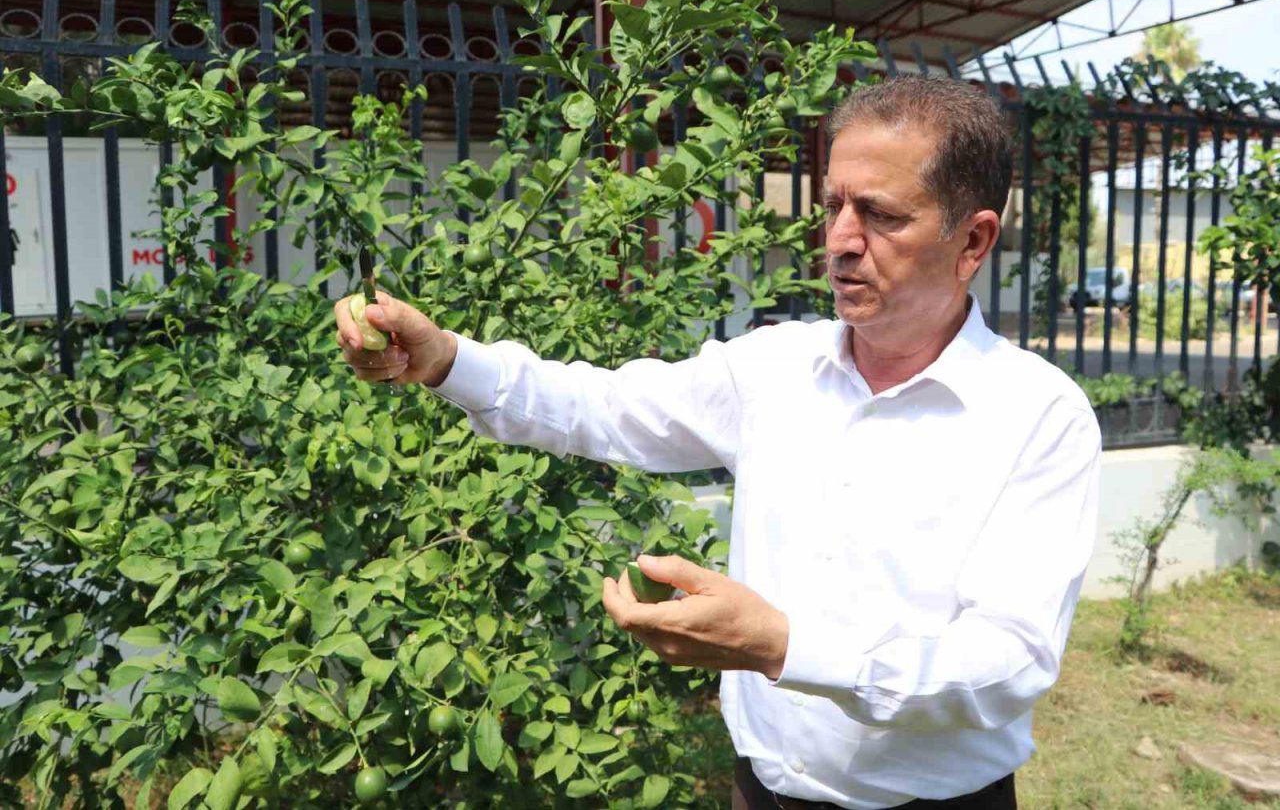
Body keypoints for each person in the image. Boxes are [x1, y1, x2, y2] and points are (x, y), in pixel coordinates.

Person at [334, 75, 1101, 810]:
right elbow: (603, 406)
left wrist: (781, 644)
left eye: (880, 214)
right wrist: (445, 360)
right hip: (760, 791)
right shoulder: (774, 368)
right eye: (833, 203)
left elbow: (1007, 663)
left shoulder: (1038, 417)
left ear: (972, 240)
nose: (839, 239)